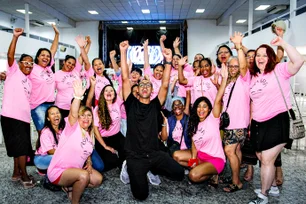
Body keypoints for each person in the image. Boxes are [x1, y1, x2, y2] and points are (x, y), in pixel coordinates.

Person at [119, 40, 184, 200]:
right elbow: (125, 79)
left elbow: (165, 84)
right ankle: (129, 167)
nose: (145, 87)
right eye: (142, 85)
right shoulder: (130, 104)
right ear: (138, 90)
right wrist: (123, 51)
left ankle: (152, 169)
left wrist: (168, 60)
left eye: (148, 85)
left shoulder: (156, 105)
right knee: (141, 195)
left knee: (179, 173)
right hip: (135, 156)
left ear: (151, 90)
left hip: (154, 153)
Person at [248, 37, 304, 204]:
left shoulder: (280, 70)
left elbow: (299, 60)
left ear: (271, 57)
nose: (260, 58)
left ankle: (263, 196)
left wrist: (283, 44)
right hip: (258, 123)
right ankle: (272, 188)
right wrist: (251, 123)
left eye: (264, 55)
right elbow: (253, 102)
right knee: (260, 155)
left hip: (277, 121)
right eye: (258, 55)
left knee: (267, 159)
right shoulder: (254, 76)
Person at [47, 80, 103, 204]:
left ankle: (70, 187)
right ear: (78, 118)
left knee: (98, 179)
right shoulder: (72, 128)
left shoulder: (89, 136)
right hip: (59, 171)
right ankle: (75, 202)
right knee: (84, 176)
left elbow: (87, 151)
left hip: (75, 169)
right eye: (82, 115)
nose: (86, 118)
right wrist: (77, 97)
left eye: (89, 116)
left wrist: (89, 161)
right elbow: (73, 114)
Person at [178, 64, 228, 184]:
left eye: (205, 107)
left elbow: (218, 99)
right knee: (176, 156)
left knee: (193, 176)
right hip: (201, 157)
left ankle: (214, 173)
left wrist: (224, 79)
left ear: (209, 109)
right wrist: (193, 161)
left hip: (215, 159)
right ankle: (203, 170)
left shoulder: (213, 118)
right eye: (199, 107)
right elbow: (194, 146)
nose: (201, 109)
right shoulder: (194, 123)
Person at [1, 28, 35, 188]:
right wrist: (15, 37)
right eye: (26, 62)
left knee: (18, 147)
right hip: (12, 116)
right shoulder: (13, 72)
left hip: (23, 118)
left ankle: (16, 173)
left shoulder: (28, 81)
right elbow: (9, 56)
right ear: (19, 64)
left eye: (31, 63)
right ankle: (24, 176)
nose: (29, 65)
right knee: (22, 149)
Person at [221, 32, 250, 192]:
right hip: (229, 123)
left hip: (238, 123)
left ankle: (236, 182)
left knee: (229, 150)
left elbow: (244, 66)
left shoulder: (244, 79)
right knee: (237, 150)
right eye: (231, 66)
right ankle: (236, 176)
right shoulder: (229, 81)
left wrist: (239, 47)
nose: (233, 68)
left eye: (236, 66)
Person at [29, 24, 59, 135]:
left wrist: (57, 34)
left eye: (47, 56)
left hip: (52, 104)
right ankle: (41, 152)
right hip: (38, 106)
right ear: (37, 57)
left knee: (52, 133)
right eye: (42, 55)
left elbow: (53, 49)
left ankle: (47, 151)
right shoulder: (32, 68)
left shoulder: (49, 68)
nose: (45, 57)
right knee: (43, 134)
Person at [54, 35, 91, 118]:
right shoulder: (56, 75)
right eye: (69, 63)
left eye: (73, 64)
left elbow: (83, 55)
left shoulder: (76, 71)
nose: (70, 65)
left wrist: (88, 44)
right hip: (61, 107)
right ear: (64, 62)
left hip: (76, 105)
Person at [92, 83, 126, 171]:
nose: (109, 92)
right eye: (106, 90)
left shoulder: (117, 102)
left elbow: (125, 84)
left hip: (117, 136)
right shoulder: (97, 109)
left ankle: (123, 163)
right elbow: (95, 130)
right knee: (111, 162)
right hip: (103, 139)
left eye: (111, 90)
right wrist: (105, 146)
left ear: (114, 94)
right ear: (103, 94)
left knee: (128, 150)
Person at [34, 106, 65, 174]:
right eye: (52, 114)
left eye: (57, 113)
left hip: (56, 155)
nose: (56, 115)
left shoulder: (62, 130)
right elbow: (50, 151)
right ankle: (47, 175)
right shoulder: (46, 132)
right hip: (42, 159)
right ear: (48, 118)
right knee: (61, 158)